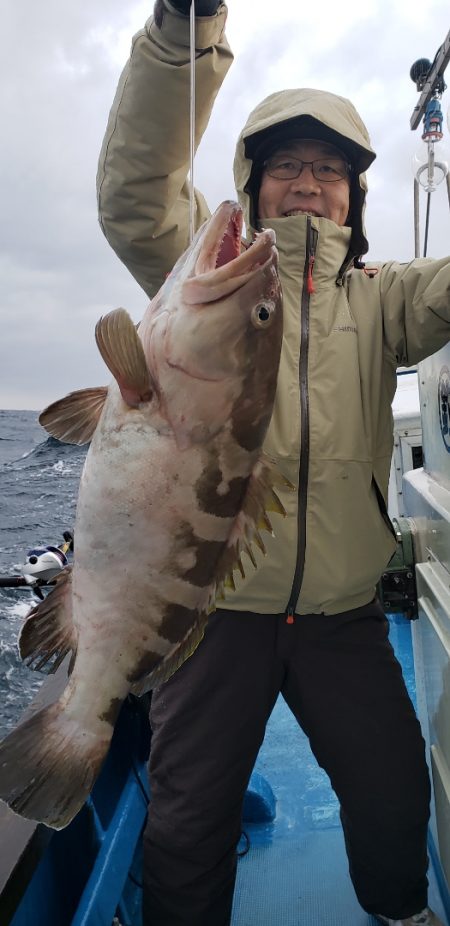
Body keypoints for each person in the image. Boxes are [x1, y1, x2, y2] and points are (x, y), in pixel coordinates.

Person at [96, 3, 450, 924]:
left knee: (392, 789)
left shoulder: (385, 301)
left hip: (341, 612)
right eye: (287, 165)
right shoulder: (203, 272)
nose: (308, 184)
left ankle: (400, 910)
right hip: (213, 616)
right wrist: (187, 35)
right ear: (252, 184)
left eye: (329, 171)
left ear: (353, 198)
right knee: (186, 818)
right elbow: (137, 190)